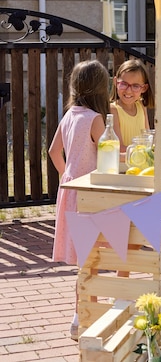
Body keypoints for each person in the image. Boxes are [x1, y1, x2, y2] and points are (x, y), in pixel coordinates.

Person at [48, 60, 111, 340]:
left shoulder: (71, 114)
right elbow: (110, 155)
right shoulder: (95, 119)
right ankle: (82, 317)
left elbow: (53, 151)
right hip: (90, 196)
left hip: (70, 191)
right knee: (91, 259)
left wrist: (67, 177)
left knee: (85, 259)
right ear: (101, 88)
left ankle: (82, 315)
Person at [110, 59, 161, 156]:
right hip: (124, 168)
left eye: (135, 86)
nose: (128, 91)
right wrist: (154, 152)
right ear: (116, 82)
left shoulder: (141, 106)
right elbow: (119, 149)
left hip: (143, 164)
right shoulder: (113, 110)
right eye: (124, 84)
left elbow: (148, 139)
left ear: (144, 88)